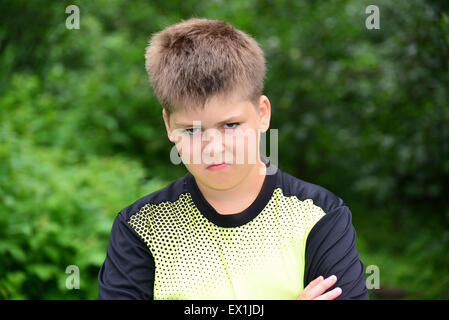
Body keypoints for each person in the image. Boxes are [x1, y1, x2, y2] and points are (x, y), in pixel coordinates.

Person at [97, 17, 369, 300]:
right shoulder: (143, 228)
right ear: (168, 126)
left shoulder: (320, 216)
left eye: (230, 125)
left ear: (262, 113)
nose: (213, 148)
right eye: (191, 130)